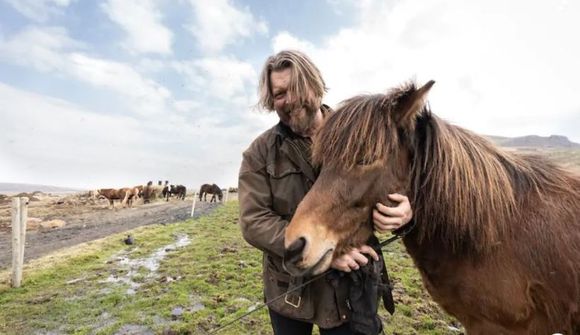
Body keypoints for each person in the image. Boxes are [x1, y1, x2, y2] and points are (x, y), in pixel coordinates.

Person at [238, 50, 413, 335]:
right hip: (290, 287)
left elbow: (396, 177)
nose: (290, 100)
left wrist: (406, 211)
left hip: (350, 287)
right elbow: (253, 221)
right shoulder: (259, 153)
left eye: (296, 88)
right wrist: (327, 252)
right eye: (280, 93)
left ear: (315, 84)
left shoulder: (357, 132)